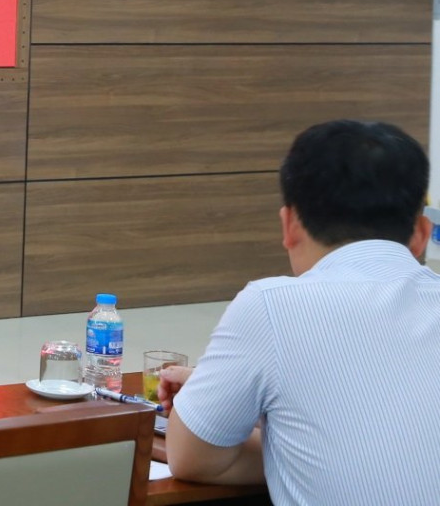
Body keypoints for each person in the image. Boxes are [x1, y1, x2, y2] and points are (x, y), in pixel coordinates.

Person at [156, 119, 440, 505]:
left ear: (289, 225)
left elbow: (191, 458)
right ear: (421, 233)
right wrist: (253, 401)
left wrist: (275, 431)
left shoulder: (271, 306)